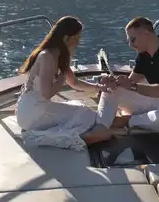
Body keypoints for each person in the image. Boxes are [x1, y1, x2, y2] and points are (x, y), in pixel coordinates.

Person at [15, 16, 111, 149]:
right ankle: (79, 138)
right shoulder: (47, 56)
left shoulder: (57, 55)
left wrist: (99, 87)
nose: (78, 42)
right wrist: (61, 77)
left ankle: (77, 134)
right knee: (86, 114)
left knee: (79, 107)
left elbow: (74, 83)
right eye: (77, 37)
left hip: (29, 110)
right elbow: (46, 93)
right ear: (66, 38)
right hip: (34, 114)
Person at [96, 16, 159, 134]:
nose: (130, 45)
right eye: (129, 41)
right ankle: (100, 127)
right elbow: (130, 82)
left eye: (133, 39)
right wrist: (114, 82)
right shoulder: (143, 55)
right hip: (156, 101)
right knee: (111, 90)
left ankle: (127, 120)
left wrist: (132, 86)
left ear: (146, 34)